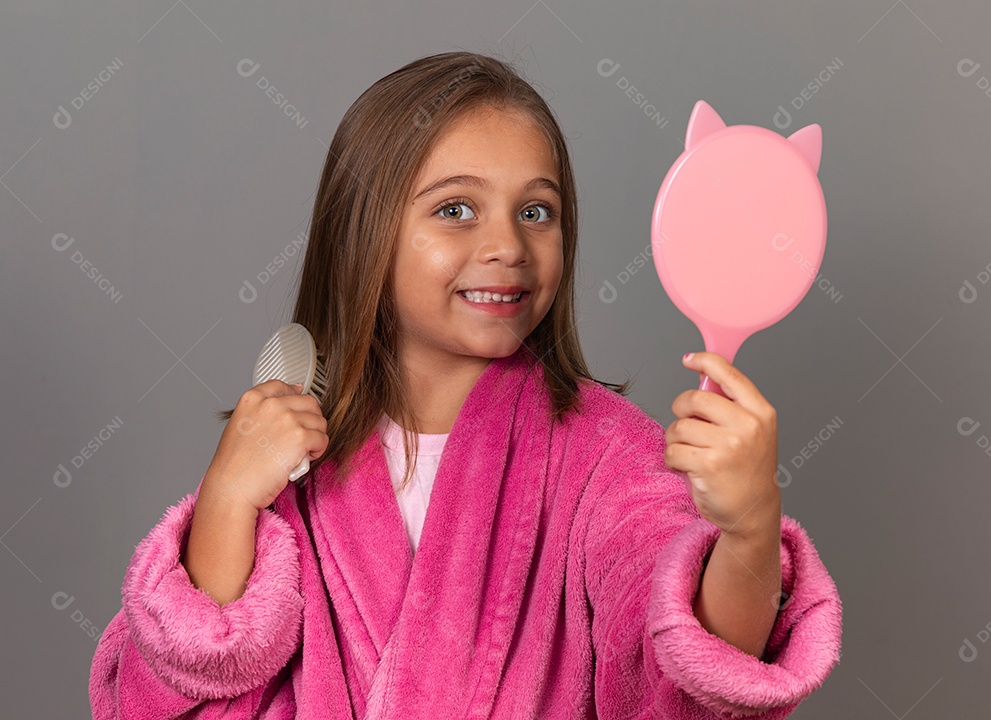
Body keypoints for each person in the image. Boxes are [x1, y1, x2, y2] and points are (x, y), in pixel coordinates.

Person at [88, 50, 842, 719]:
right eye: (456, 210)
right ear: (364, 231)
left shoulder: (609, 455)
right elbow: (172, 698)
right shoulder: (287, 456)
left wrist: (748, 532)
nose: (508, 246)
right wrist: (226, 500)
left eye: (536, 212)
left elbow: (684, 679)